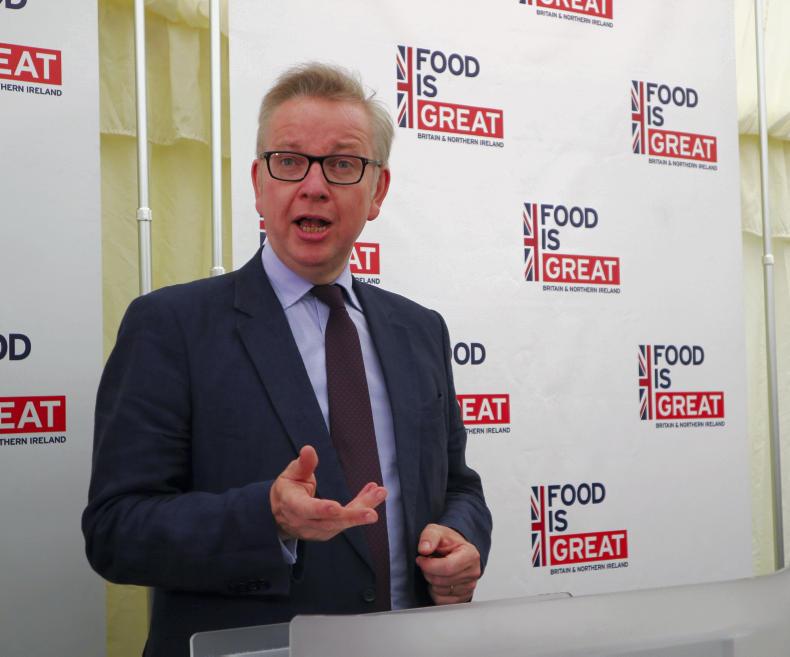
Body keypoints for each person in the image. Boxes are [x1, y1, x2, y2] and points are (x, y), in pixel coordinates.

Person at [82, 62, 492, 657]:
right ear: (258, 183)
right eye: (290, 161)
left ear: (377, 192)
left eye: (343, 164)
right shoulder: (171, 326)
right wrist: (266, 517)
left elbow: (459, 486)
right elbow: (115, 531)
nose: (314, 185)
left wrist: (460, 538)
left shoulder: (421, 331)